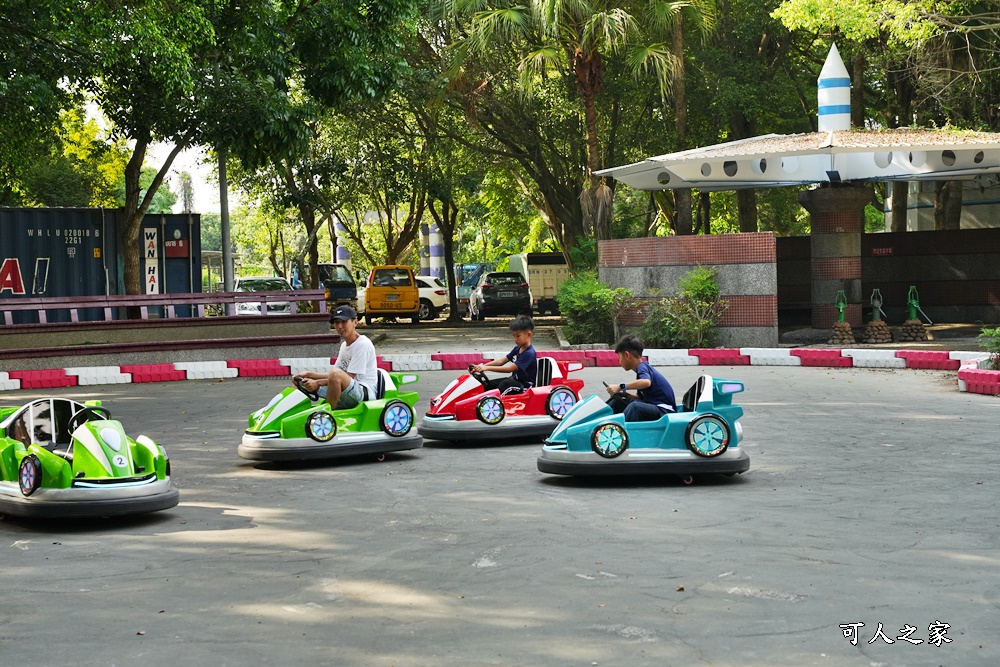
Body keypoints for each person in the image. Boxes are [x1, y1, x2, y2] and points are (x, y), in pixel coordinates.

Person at [297, 305, 378, 409]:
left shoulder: (362, 344)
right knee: (299, 380)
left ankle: (326, 419)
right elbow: (334, 376)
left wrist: (317, 382)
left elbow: (344, 377)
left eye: (344, 322)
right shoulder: (344, 345)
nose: (340, 326)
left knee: (335, 374)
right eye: (337, 322)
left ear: (355, 322)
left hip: (364, 393)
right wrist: (309, 375)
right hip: (348, 390)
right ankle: (287, 418)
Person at [605, 334, 676, 422]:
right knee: (618, 401)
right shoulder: (641, 370)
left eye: (619, 357)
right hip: (654, 406)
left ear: (627, 355)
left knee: (635, 407)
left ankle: (618, 431)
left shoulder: (642, 367)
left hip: (664, 410)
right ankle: (599, 424)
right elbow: (641, 398)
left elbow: (646, 382)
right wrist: (626, 395)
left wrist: (620, 386)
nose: (619, 361)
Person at [471, 314, 537, 394]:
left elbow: (510, 369)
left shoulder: (529, 353)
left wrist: (486, 368)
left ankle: (492, 405)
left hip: (525, 386)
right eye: (514, 336)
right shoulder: (517, 349)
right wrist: (481, 367)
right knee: (487, 384)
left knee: (505, 385)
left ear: (529, 334)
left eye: (518, 336)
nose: (515, 339)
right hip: (514, 381)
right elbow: (501, 361)